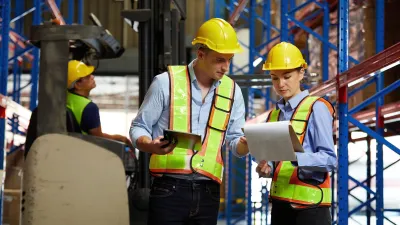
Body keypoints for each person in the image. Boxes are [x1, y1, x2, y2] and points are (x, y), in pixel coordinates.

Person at [130, 18, 249, 225]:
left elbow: (234, 142)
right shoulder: (165, 83)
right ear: (201, 54)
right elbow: (139, 126)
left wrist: (248, 144)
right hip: (169, 189)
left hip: (209, 192)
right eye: (220, 60)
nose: (226, 67)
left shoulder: (232, 91)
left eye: (229, 59)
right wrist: (149, 145)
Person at [255, 42, 337, 225]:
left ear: (301, 73)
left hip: (311, 209)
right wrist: (266, 168)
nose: (280, 84)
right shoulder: (274, 116)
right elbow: (276, 163)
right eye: (274, 78)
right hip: (280, 207)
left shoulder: (317, 108)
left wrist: (296, 158)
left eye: (287, 76)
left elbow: (330, 160)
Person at [25, 60, 133, 157]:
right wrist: (120, 138)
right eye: (87, 76)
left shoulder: (62, 99)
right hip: (83, 155)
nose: (92, 77)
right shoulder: (89, 108)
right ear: (77, 84)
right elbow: (98, 138)